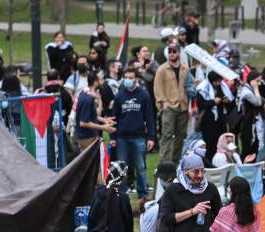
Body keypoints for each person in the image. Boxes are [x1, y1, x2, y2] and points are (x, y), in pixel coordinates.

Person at [110, 68, 156, 198]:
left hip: (139, 137)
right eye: (126, 77)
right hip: (122, 138)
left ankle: (143, 194)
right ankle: (122, 194)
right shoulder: (119, 96)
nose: (128, 80)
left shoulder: (144, 95)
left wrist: (151, 138)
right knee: (122, 168)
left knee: (140, 167)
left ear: (136, 79)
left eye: (131, 77)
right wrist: (113, 137)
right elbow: (114, 118)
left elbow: (150, 117)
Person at [154, 46, 190, 164]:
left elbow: (188, 86)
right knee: (167, 135)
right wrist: (163, 102)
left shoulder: (185, 68)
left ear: (179, 53)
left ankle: (175, 162)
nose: (172, 54)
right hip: (169, 106)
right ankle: (164, 163)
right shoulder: (162, 69)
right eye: (169, 52)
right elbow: (157, 87)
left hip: (183, 106)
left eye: (174, 52)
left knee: (180, 136)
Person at [72, 71, 115, 152]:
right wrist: (103, 128)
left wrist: (104, 120)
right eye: (101, 79)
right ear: (95, 82)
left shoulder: (88, 95)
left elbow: (93, 114)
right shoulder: (87, 99)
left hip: (88, 136)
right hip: (87, 138)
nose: (102, 82)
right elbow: (83, 122)